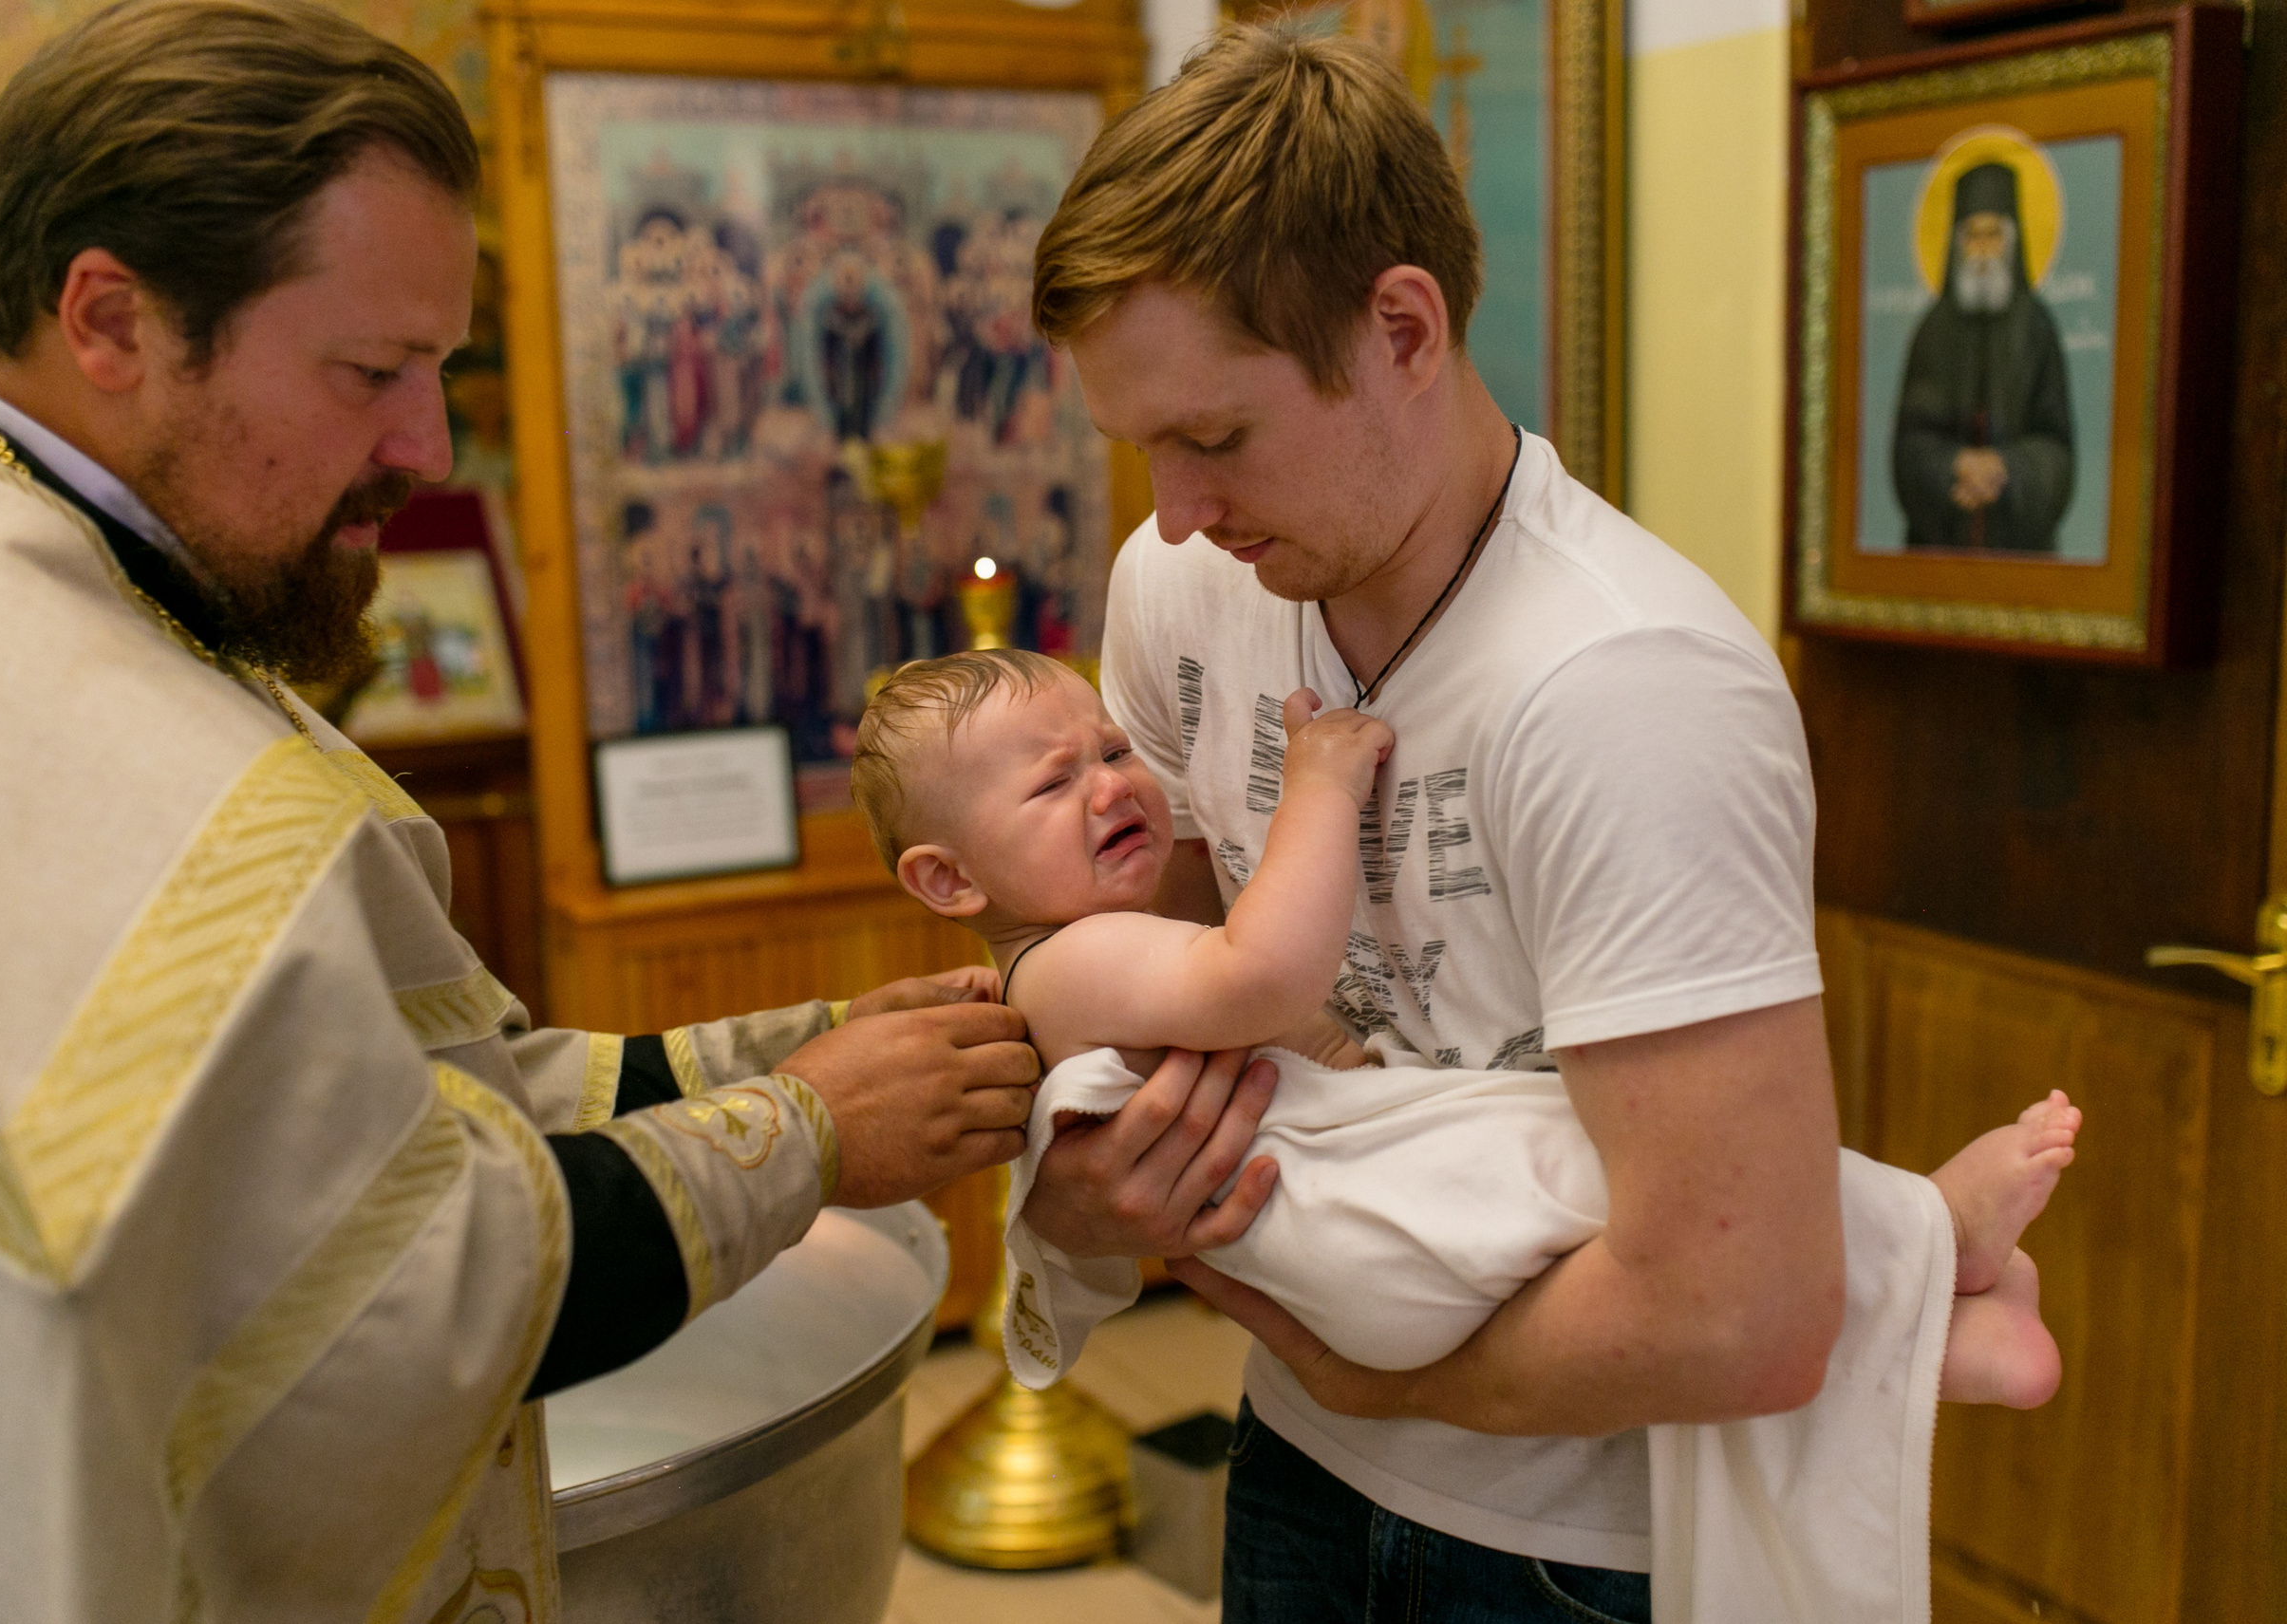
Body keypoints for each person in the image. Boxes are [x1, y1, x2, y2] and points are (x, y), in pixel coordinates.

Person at [0, 5, 1041, 1620]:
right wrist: (810, 1130)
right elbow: (400, 1280)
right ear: (111, 318)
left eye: (442, 366)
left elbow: (369, 1108)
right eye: (372, 371)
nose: (425, 445)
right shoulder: (82, 723)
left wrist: (779, 1050)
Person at [1009, 26, 1908, 1621]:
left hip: (1564, 1549)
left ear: (1403, 328)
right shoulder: (1188, 583)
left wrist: (1369, 1377)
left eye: (1215, 437)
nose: (1172, 510)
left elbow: (1744, 1312)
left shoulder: (1628, 688)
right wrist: (1078, 1171)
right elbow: (1138, 970)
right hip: (1292, 1456)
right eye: (1142, 445)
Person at [851, 643, 2071, 1390]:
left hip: (1369, 1248)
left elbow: (1279, 1035)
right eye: (1053, 781)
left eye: (1111, 747)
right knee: (1612, 1186)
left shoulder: (1065, 961)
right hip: (1365, 1232)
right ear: (949, 882)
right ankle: (1928, 1230)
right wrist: (1318, 788)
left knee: (1612, 1215)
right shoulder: (1068, 964)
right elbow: (1262, 979)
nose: (1113, 781)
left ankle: (1939, 1340)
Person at [1891, 160, 2076, 553]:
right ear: (1957, 243)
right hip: (1938, 549)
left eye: (1994, 234)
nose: (1983, 248)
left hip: (2021, 552)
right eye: (1972, 236)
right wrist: (1954, 465)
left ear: (2012, 241)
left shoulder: (2037, 328)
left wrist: (2004, 468)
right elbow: (1908, 448)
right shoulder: (1933, 331)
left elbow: (2058, 450)